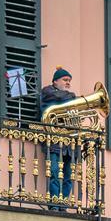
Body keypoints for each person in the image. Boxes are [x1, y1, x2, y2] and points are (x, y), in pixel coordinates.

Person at [39, 66, 77, 210]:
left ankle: (63, 205)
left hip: (69, 143)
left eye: (69, 81)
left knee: (68, 176)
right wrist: (72, 97)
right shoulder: (48, 92)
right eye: (65, 80)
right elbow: (58, 97)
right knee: (54, 173)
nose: (68, 83)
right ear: (55, 81)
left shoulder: (69, 97)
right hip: (54, 141)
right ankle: (54, 204)